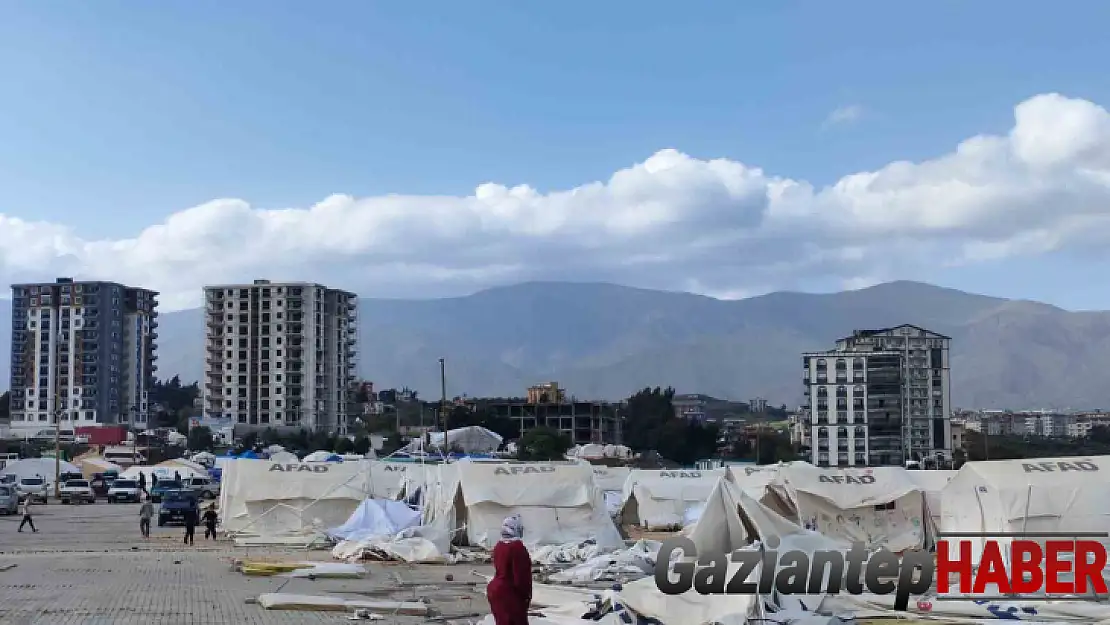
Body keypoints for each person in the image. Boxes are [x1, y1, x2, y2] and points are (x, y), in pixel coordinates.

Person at [486, 515, 531, 625]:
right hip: (509, 593)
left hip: (495, 590)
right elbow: (520, 576)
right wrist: (526, 596)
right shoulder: (517, 548)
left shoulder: (499, 546)